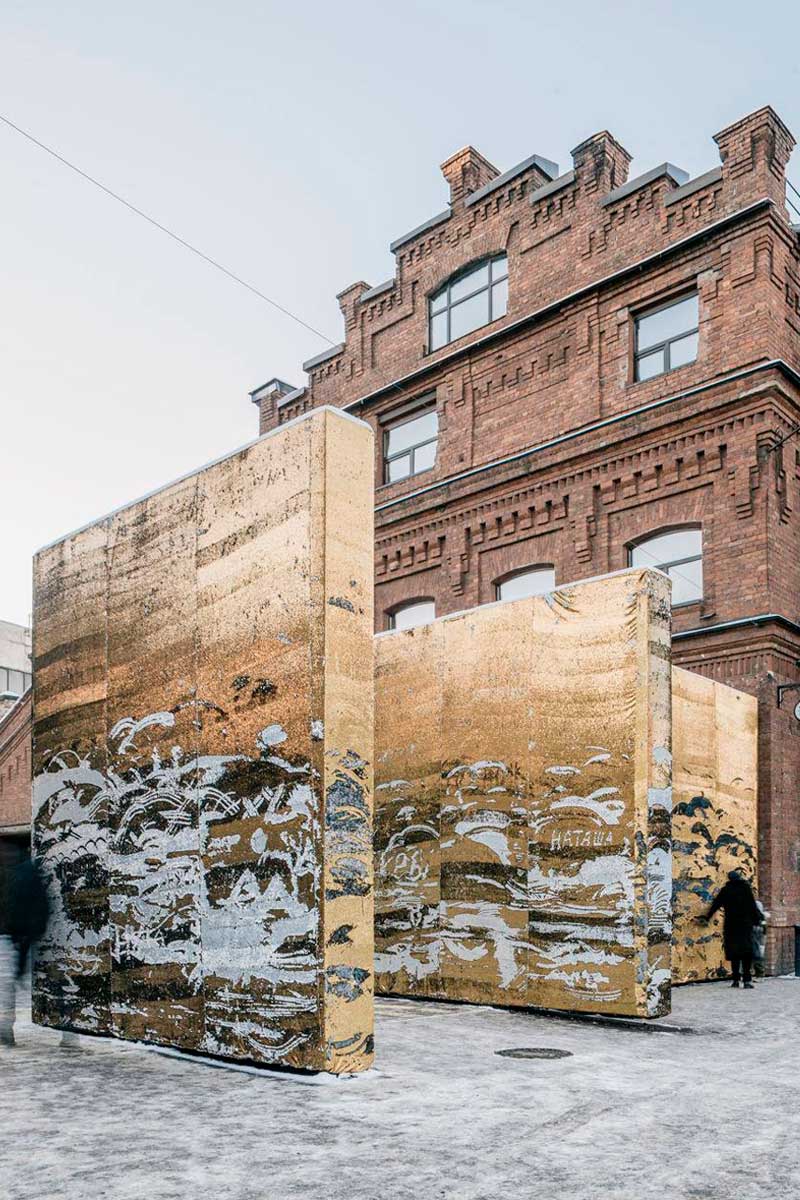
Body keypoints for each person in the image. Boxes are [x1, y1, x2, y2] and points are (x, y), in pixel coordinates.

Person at [0, 846, 51, 1047]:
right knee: (9, 984)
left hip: (18, 935)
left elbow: (35, 905)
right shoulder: (20, 873)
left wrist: (27, 931)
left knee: (8, 984)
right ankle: (6, 1030)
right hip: (17, 936)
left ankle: (6, 1030)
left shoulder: (22, 874)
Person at [705, 869, 764, 989]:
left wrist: (707, 917)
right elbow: (752, 905)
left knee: (734, 954)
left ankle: (735, 980)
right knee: (746, 953)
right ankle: (747, 980)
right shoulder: (745, 888)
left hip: (731, 925)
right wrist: (757, 920)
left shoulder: (726, 890)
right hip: (745, 926)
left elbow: (716, 904)